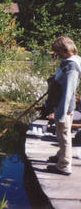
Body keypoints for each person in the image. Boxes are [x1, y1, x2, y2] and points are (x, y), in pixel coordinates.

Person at [45, 36, 81, 176]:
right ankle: (61, 154)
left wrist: (60, 113)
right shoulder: (69, 62)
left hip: (63, 106)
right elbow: (63, 80)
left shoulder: (72, 66)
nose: (56, 54)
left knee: (64, 134)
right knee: (61, 134)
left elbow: (68, 92)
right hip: (60, 104)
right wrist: (55, 78)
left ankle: (64, 166)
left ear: (64, 50)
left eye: (57, 51)